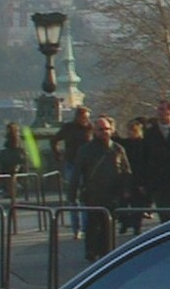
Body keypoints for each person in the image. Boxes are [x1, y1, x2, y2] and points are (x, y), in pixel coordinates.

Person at [74, 116, 134, 262]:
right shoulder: (86, 149)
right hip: (93, 192)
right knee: (93, 225)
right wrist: (73, 193)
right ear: (95, 131)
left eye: (107, 129)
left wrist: (127, 189)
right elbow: (77, 172)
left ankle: (107, 252)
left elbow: (126, 171)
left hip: (112, 193)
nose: (105, 132)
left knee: (108, 225)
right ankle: (91, 251)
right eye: (101, 129)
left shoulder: (117, 149)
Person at [50, 105, 95, 237]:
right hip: (71, 163)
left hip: (86, 165)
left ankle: (86, 227)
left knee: (84, 197)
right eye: (84, 117)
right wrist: (57, 154)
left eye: (87, 118)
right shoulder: (68, 128)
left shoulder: (91, 128)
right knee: (73, 197)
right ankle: (76, 228)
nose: (85, 120)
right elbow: (54, 140)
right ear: (78, 117)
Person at [142, 99, 170, 215]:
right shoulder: (150, 133)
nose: (159, 112)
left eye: (163, 109)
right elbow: (145, 156)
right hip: (157, 179)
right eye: (158, 109)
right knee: (163, 211)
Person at [116, 118, 149, 233]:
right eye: (129, 131)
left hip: (139, 177)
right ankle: (124, 223)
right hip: (126, 178)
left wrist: (143, 182)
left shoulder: (143, 144)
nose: (130, 133)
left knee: (138, 203)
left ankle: (136, 225)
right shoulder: (124, 144)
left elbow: (145, 163)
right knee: (123, 202)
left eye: (133, 131)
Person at [0, 122, 28, 202]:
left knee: (10, 178)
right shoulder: (17, 138)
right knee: (10, 177)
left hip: (12, 161)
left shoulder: (13, 139)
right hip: (14, 161)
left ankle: (12, 192)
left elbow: (11, 147)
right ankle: (12, 192)